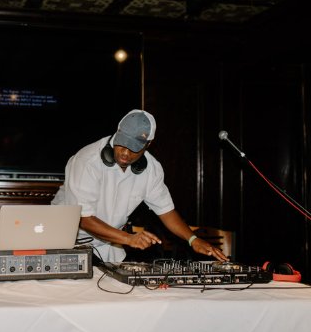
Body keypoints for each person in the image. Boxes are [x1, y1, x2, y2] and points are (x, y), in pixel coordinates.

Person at [52, 110, 228, 263]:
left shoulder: (152, 169)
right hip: (66, 242)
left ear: (148, 144)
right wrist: (129, 239)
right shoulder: (87, 161)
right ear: (117, 132)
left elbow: (166, 211)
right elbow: (83, 218)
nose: (125, 153)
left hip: (109, 247)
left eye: (134, 148)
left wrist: (193, 239)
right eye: (122, 143)